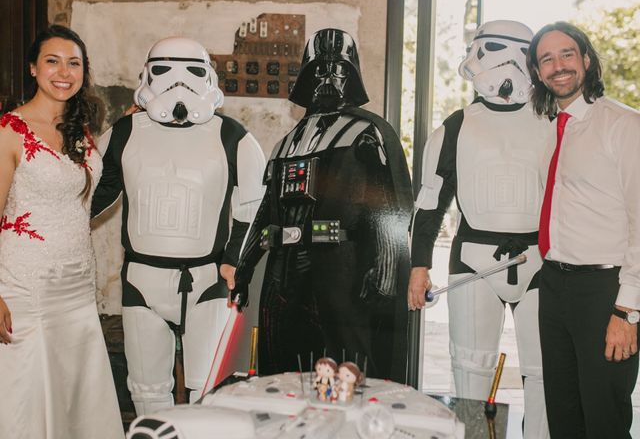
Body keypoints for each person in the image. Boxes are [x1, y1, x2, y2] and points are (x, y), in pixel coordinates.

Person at [91, 36, 266, 415]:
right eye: (165, 71)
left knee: (211, 391)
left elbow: (253, 208)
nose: (178, 83)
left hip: (208, 279)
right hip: (142, 278)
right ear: (147, 75)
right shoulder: (124, 133)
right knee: (147, 391)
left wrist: (234, 259)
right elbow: (88, 197)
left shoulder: (233, 137)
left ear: (208, 77)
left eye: (192, 71)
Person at [231, 28, 413, 382]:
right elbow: (268, 210)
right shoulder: (287, 142)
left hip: (340, 269)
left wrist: (387, 270)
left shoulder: (366, 133)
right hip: (283, 273)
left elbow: (388, 205)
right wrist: (244, 268)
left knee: (345, 366)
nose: (329, 77)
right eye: (320, 69)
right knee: (283, 367)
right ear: (306, 76)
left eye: (340, 69)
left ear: (353, 76)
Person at [408, 20, 551, 438]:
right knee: (469, 370)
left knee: (544, 372)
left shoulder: (555, 120)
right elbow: (429, 202)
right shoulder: (455, 126)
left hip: (542, 261)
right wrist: (418, 265)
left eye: (485, 51)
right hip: (473, 261)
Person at [0, 25, 124, 438]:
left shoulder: (80, 131)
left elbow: (80, 204)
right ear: (33, 68)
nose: (64, 72)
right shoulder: (9, 130)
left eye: (74, 63)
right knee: (32, 393)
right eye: (52, 61)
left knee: (77, 393)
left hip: (75, 282)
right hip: (27, 283)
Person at [527, 21, 640, 438]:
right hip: (554, 286)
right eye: (547, 59)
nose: (558, 66)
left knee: (604, 421)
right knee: (564, 416)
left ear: (586, 60)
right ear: (537, 73)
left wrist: (627, 310)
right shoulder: (552, 131)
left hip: (604, 292)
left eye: (567, 54)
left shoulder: (624, 125)